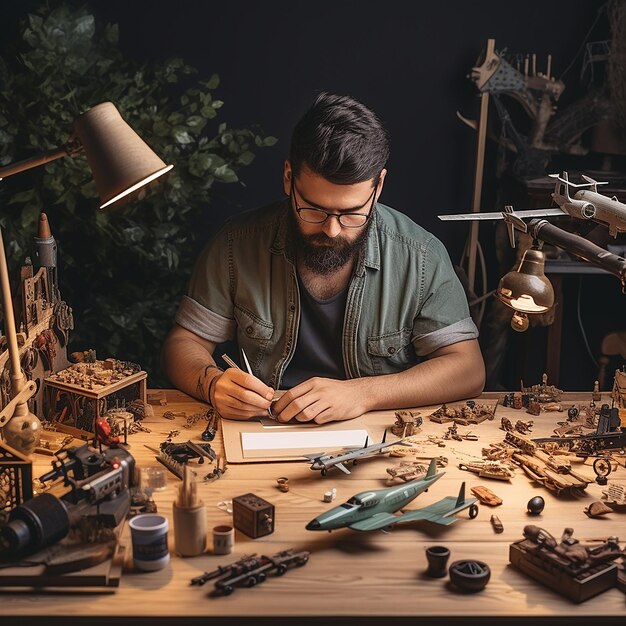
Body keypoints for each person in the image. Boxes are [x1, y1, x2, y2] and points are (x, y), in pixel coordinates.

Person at [162, 92, 485, 424]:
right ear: (289, 178)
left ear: (379, 186)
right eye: (313, 209)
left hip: (375, 436)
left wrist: (363, 394)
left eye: (351, 213)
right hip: (262, 428)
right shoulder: (235, 245)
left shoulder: (420, 256)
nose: (331, 229)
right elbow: (183, 343)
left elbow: (468, 368)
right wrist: (212, 383)